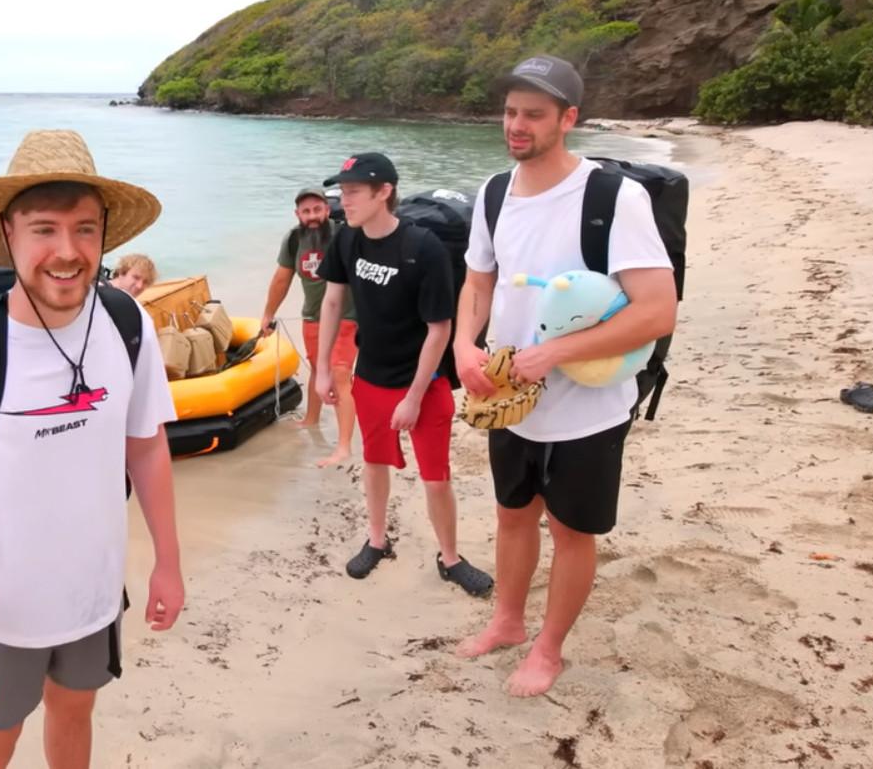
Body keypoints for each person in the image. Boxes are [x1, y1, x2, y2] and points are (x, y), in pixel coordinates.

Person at [0, 129, 184, 768]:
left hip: (94, 593)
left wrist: (167, 563)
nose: (67, 252)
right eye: (44, 229)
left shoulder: (127, 326)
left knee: (76, 713)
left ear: (106, 235)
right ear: (8, 234)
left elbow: (148, 446)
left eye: (85, 229)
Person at [452, 55, 676, 697]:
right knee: (512, 513)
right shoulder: (494, 193)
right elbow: (478, 280)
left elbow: (658, 310)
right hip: (509, 400)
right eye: (510, 112)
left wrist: (554, 353)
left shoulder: (613, 197)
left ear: (569, 119)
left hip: (591, 403)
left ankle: (549, 650)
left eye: (534, 115)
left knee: (572, 530)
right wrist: (466, 346)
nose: (516, 126)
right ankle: (507, 622)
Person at [314, 153, 492, 595]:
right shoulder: (346, 240)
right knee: (374, 462)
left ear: (384, 192)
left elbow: (440, 328)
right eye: (342, 191)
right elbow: (333, 302)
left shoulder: (423, 248)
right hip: (370, 376)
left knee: (436, 476)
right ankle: (377, 541)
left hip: (424, 382)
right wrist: (321, 371)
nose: (344, 200)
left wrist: (413, 397)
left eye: (353, 192)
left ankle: (450, 557)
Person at [259, 186, 358, 466]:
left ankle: (343, 446)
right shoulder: (293, 238)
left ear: (327, 210)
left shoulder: (344, 233)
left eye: (317, 209)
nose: (312, 216)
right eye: (306, 211)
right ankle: (311, 419)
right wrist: (268, 313)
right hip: (314, 316)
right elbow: (282, 278)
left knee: (339, 373)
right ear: (297, 214)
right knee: (317, 367)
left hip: (349, 315)